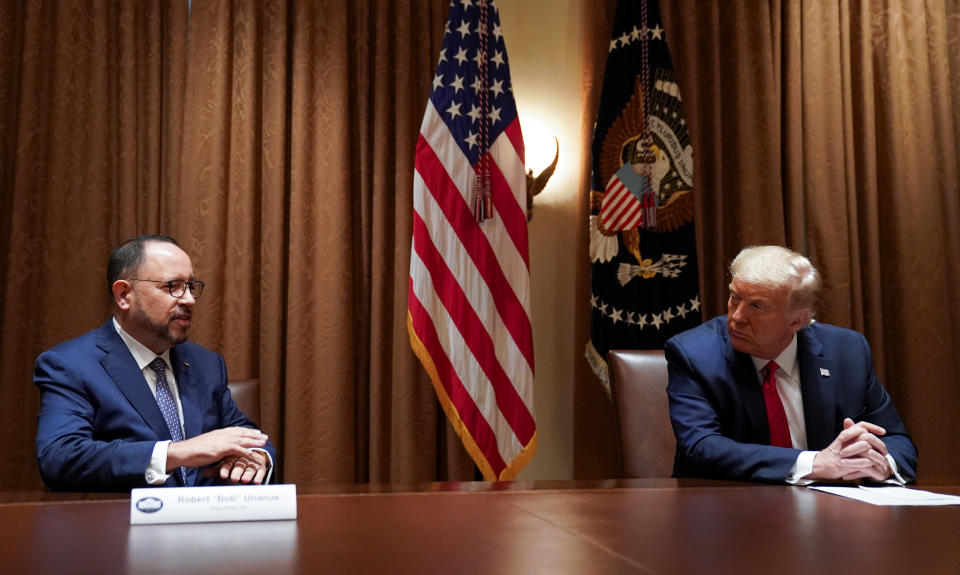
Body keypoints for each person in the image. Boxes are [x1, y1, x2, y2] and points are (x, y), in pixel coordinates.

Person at [35, 235, 276, 490]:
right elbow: (60, 458)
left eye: (191, 286)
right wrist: (175, 453)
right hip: (122, 525)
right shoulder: (71, 364)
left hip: (209, 524)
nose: (189, 300)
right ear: (124, 294)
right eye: (173, 286)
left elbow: (245, 434)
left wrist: (257, 458)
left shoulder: (206, 364)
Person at [665, 245, 917, 483]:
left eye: (757, 306)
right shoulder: (693, 353)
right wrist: (814, 463)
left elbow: (896, 440)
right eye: (734, 297)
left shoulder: (847, 351)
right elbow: (700, 446)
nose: (737, 316)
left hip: (831, 513)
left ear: (797, 321)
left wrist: (880, 463)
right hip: (729, 510)